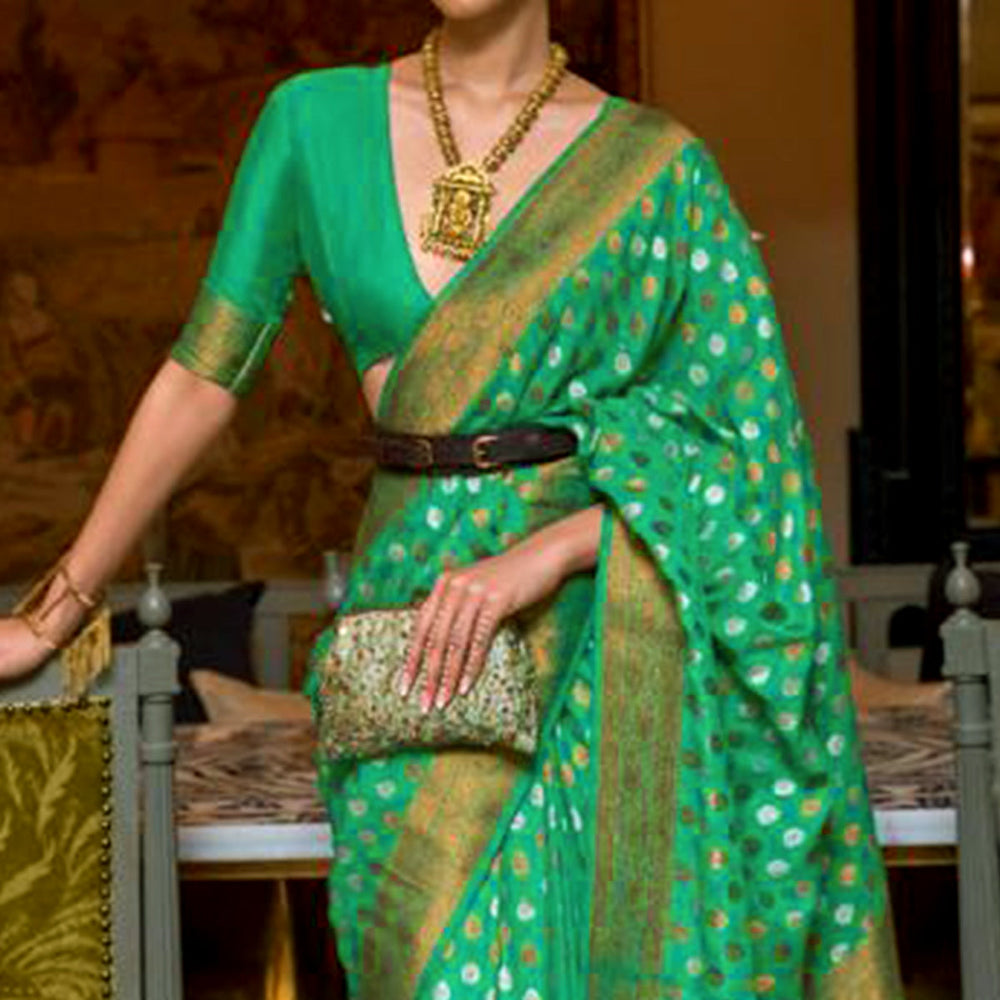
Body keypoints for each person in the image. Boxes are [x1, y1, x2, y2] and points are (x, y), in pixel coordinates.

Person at [0, 0, 906, 996]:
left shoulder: (657, 169)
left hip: (605, 627)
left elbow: (745, 462)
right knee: (424, 955)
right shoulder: (315, 121)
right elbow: (203, 376)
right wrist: (55, 610)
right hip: (417, 626)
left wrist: (550, 552)